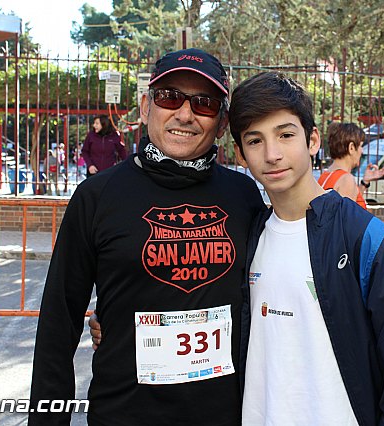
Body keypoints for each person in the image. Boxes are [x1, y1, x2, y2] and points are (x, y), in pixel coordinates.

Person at [29, 48, 267, 425]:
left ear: (221, 123)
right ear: (145, 107)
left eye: (204, 103)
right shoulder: (97, 197)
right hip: (124, 412)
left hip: (224, 413)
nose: (185, 114)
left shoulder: (245, 196)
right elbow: (59, 324)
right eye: (169, 97)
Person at [230, 72, 384, 424]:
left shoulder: (368, 241)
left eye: (285, 135)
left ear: (312, 139)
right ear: (240, 154)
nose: (272, 154)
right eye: (255, 141)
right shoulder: (246, 237)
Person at [318, 122, 384, 209]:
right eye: (361, 146)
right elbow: (347, 219)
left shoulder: (325, 176)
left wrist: (364, 183)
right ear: (351, 148)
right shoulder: (346, 179)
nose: (362, 151)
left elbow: (353, 204)